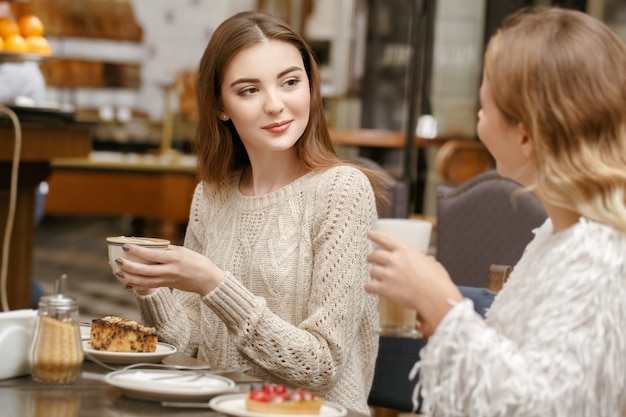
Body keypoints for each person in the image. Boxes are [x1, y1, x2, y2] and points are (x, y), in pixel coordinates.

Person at [112, 10, 389, 414]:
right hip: (216, 408)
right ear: (221, 105)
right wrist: (151, 287)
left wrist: (213, 284)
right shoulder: (211, 195)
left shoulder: (341, 191)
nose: (276, 105)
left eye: (290, 82)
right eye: (248, 91)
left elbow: (321, 366)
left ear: (311, 87)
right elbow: (185, 349)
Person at [365, 6, 626, 416]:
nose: (477, 119)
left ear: (525, 135)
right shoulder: (560, 236)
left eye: (484, 108)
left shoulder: (601, 255)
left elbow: (540, 407)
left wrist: (444, 306)